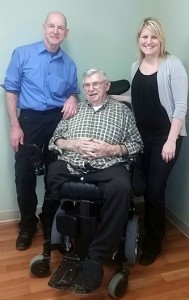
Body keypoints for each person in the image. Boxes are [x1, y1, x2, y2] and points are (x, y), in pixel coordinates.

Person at [47, 68, 143, 290]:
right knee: (52, 173)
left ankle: (97, 256)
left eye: (96, 84)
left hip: (108, 164)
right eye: (87, 85)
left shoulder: (123, 111)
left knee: (121, 187)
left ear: (106, 86)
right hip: (73, 164)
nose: (91, 89)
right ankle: (67, 226)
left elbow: (137, 144)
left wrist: (112, 149)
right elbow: (55, 140)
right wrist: (72, 144)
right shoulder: (75, 110)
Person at [2, 11, 80, 251]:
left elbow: (73, 91)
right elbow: (11, 91)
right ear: (43, 27)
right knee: (24, 174)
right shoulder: (22, 54)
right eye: (51, 26)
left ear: (66, 33)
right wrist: (15, 125)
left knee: (55, 175)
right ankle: (27, 225)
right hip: (29, 120)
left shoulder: (69, 64)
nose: (55, 31)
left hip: (57, 122)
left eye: (60, 28)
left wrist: (73, 98)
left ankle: (49, 220)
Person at [130, 17, 188, 265]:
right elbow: (137, 100)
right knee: (140, 187)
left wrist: (171, 140)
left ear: (161, 39)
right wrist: (107, 95)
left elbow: (181, 107)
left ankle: (153, 242)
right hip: (142, 138)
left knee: (155, 190)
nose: (149, 41)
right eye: (144, 36)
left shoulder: (172, 65)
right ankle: (140, 231)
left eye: (154, 36)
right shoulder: (135, 66)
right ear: (139, 39)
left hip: (166, 137)